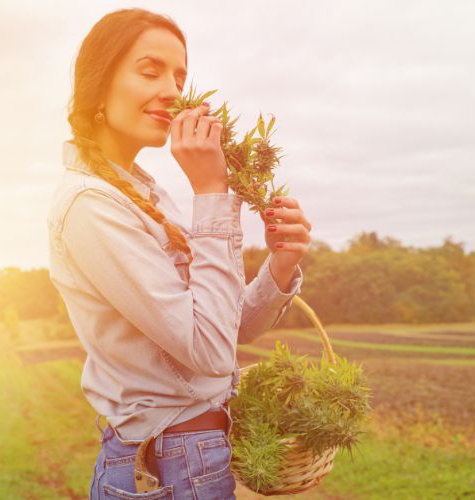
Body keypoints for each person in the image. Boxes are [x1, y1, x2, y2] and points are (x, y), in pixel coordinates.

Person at [46, 7, 312, 499]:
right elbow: (211, 355)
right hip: (170, 464)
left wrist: (280, 266)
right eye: (151, 71)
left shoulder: (142, 193)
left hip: (190, 458)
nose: (173, 90)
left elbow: (221, 333)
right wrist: (211, 191)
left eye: (180, 75)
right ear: (99, 83)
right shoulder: (90, 205)